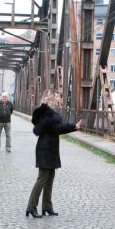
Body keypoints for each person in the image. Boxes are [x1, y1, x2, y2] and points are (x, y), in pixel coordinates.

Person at [26, 90, 81, 218]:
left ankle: (47, 207)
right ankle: (31, 207)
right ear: (50, 98)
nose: (59, 98)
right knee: (41, 179)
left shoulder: (48, 113)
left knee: (50, 178)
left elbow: (54, 129)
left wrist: (71, 127)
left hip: (50, 148)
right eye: (57, 96)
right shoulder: (48, 114)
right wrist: (73, 126)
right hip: (45, 149)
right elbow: (51, 128)